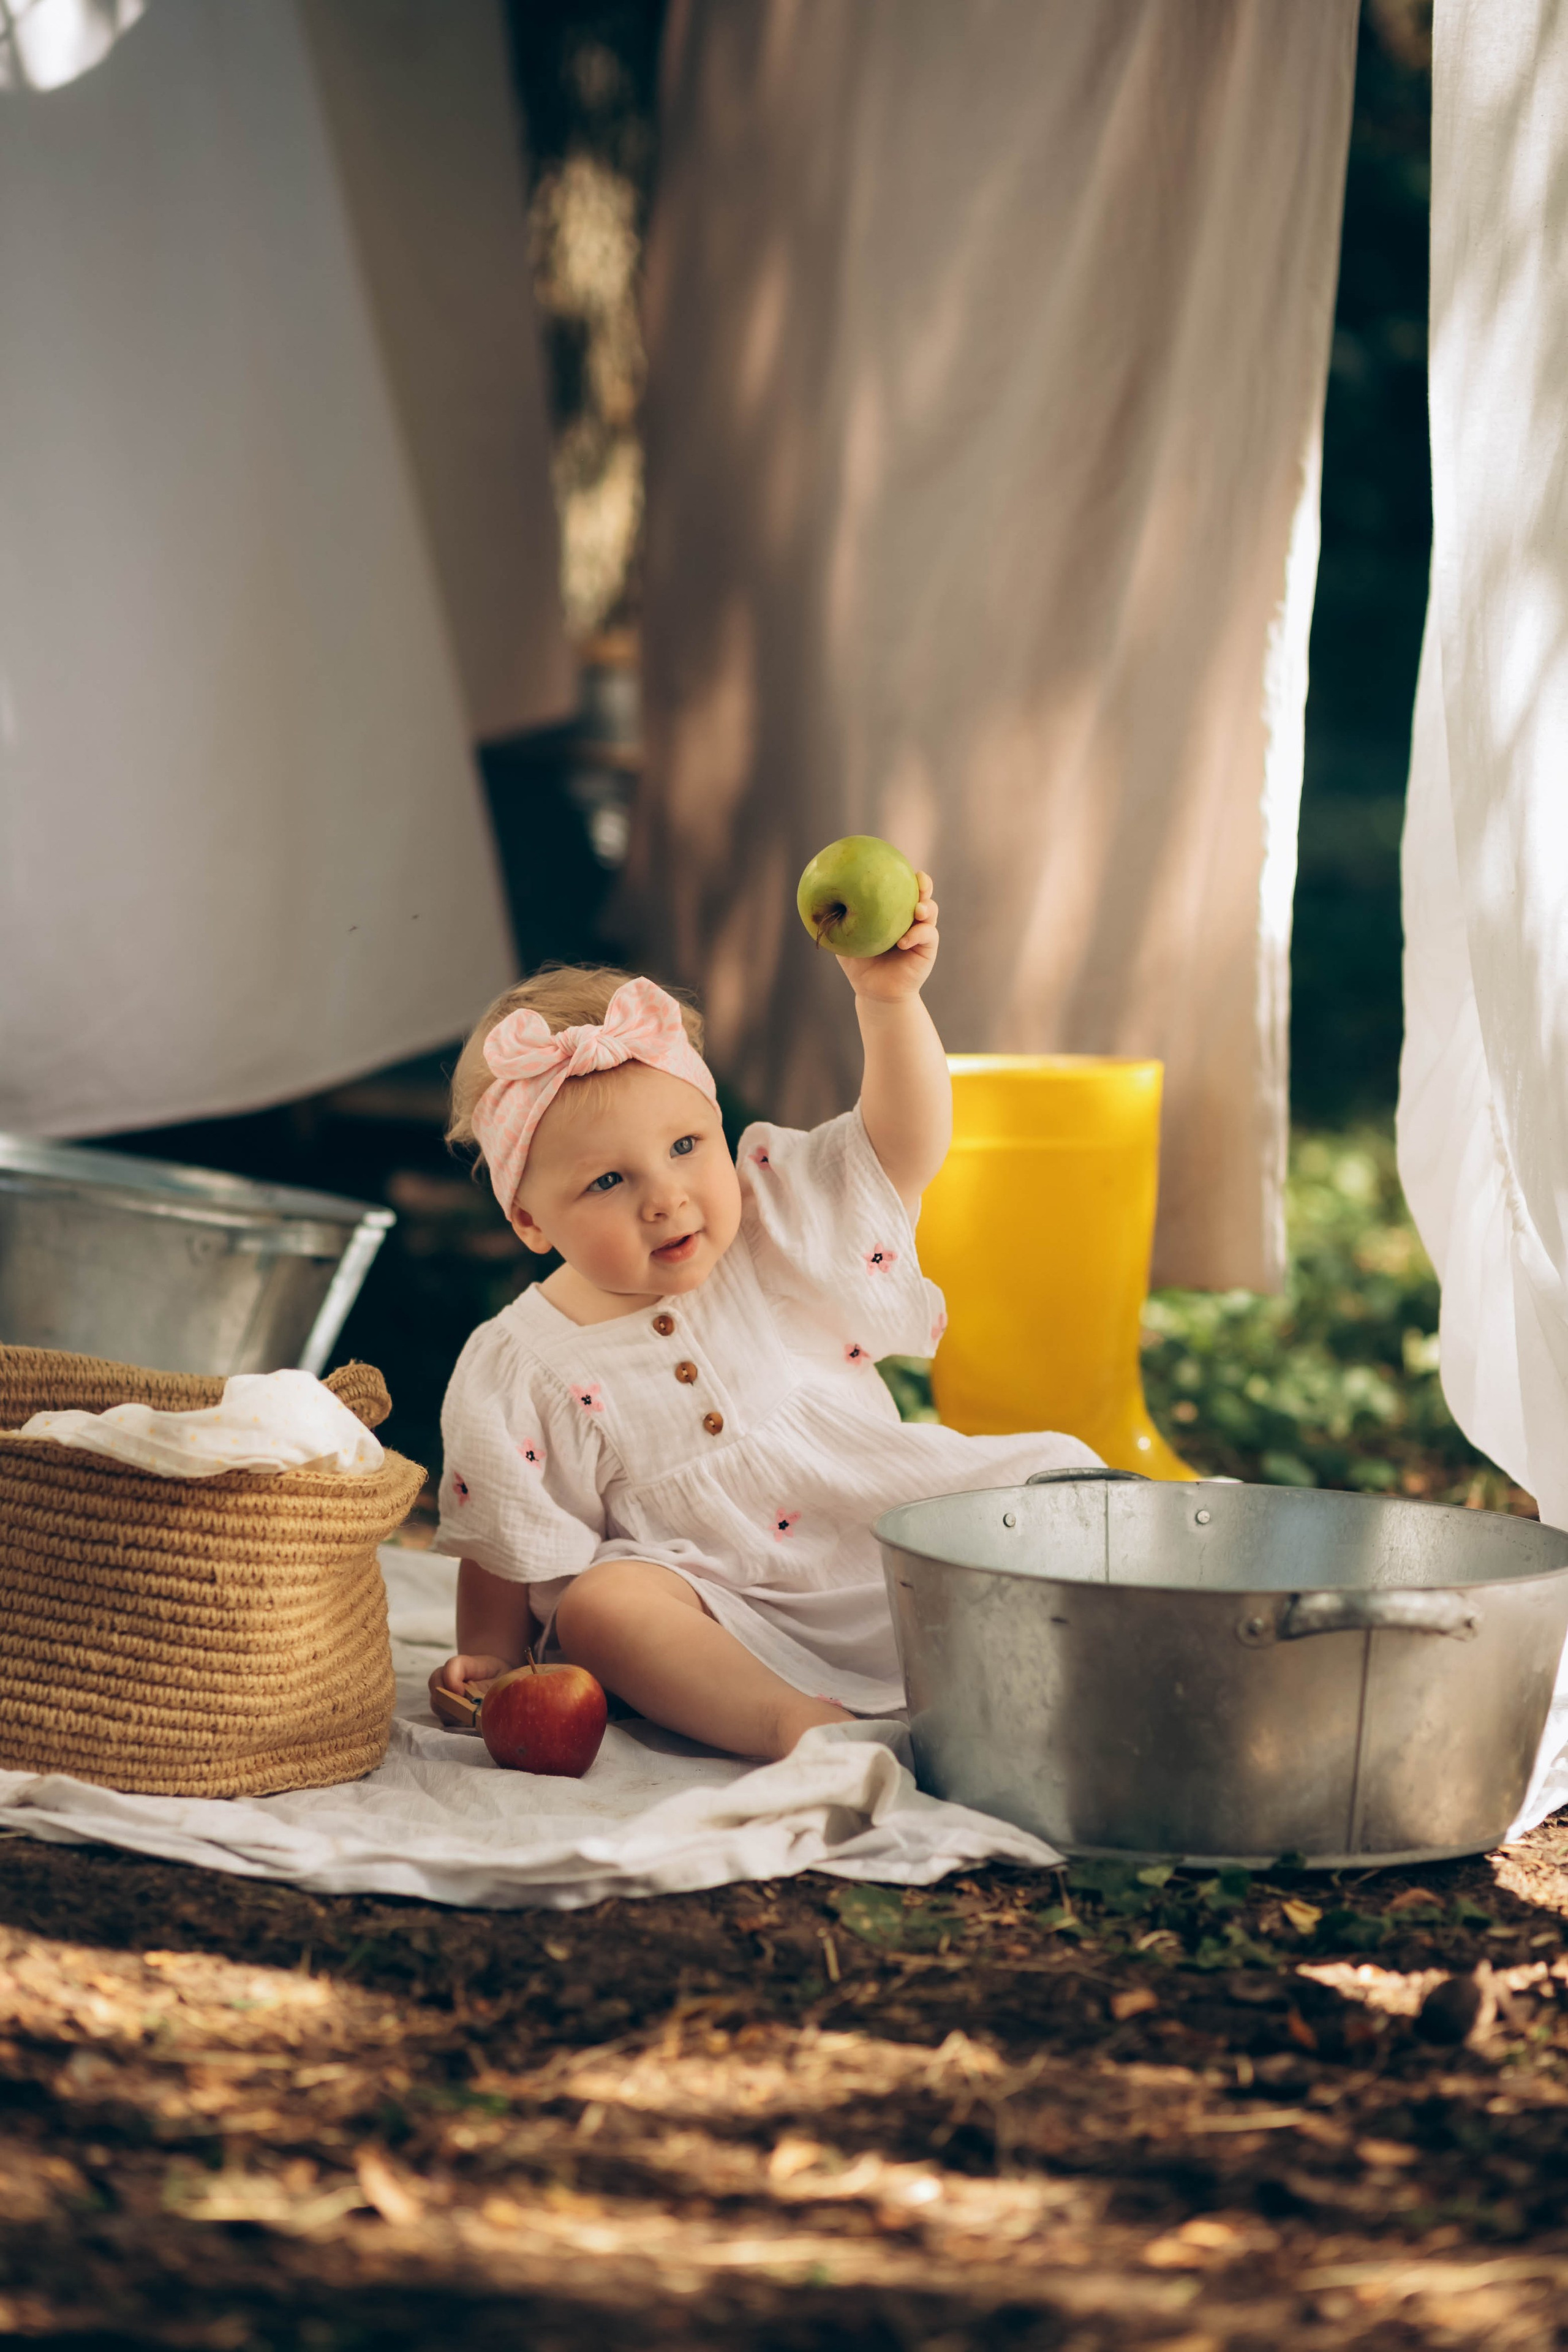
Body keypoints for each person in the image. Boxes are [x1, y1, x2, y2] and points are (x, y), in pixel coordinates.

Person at [429, 873, 1097, 1758]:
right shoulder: (521, 1359)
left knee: (1057, 1482)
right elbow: (509, 1534)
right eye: (608, 1181)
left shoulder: (766, 1225)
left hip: (882, 1539)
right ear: (529, 1222)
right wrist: (492, 1659)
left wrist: (890, 1001)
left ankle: (1095, 1641)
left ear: (716, 1125)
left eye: (684, 1146)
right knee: (602, 1607)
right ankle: (794, 1725)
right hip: (719, 1608)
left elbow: (900, 1145)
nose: (667, 1199)